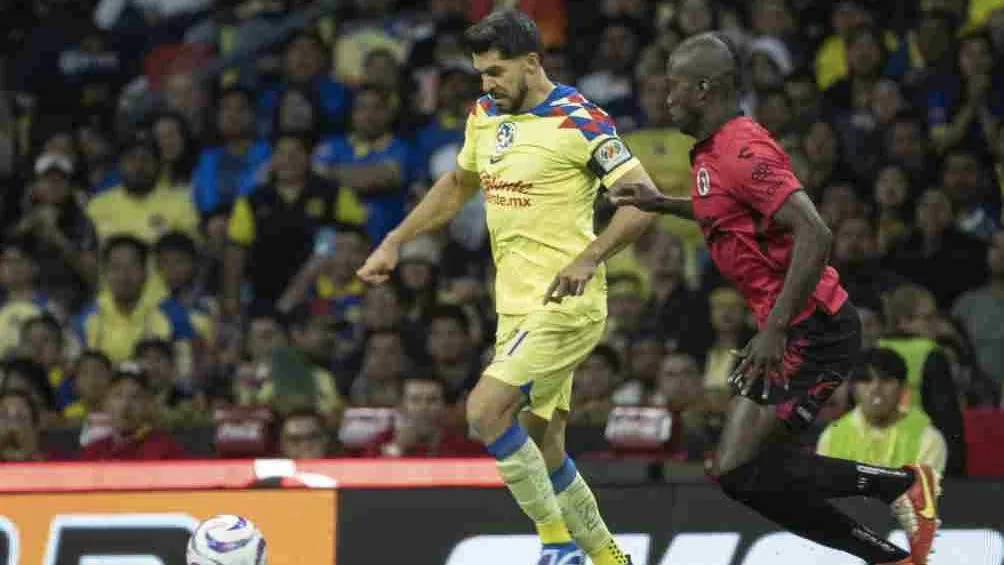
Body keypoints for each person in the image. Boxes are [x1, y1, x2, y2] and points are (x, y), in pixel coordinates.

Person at [608, 32, 939, 565]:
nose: (662, 97)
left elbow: (816, 233)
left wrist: (776, 329)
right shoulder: (711, 153)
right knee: (737, 473)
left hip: (813, 329)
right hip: (787, 329)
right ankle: (890, 549)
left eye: (671, 85)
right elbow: (727, 212)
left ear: (704, 88)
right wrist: (663, 203)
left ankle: (899, 487)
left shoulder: (743, 148)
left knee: (742, 468)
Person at [356, 10, 658, 565]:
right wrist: (396, 240)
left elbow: (643, 198)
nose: (487, 84)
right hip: (515, 310)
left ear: (532, 62)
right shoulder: (484, 115)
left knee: (484, 412)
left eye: (496, 72)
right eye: (480, 74)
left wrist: (590, 257)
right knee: (544, 448)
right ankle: (612, 559)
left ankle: (556, 549)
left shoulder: (580, 119)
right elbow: (456, 184)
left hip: (567, 306)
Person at [818, 348, 948, 475]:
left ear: (903, 388)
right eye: (866, 380)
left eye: (886, 380)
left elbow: (923, 494)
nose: (875, 388)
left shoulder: (929, 439)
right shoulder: (831, 437)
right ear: (853, 389)